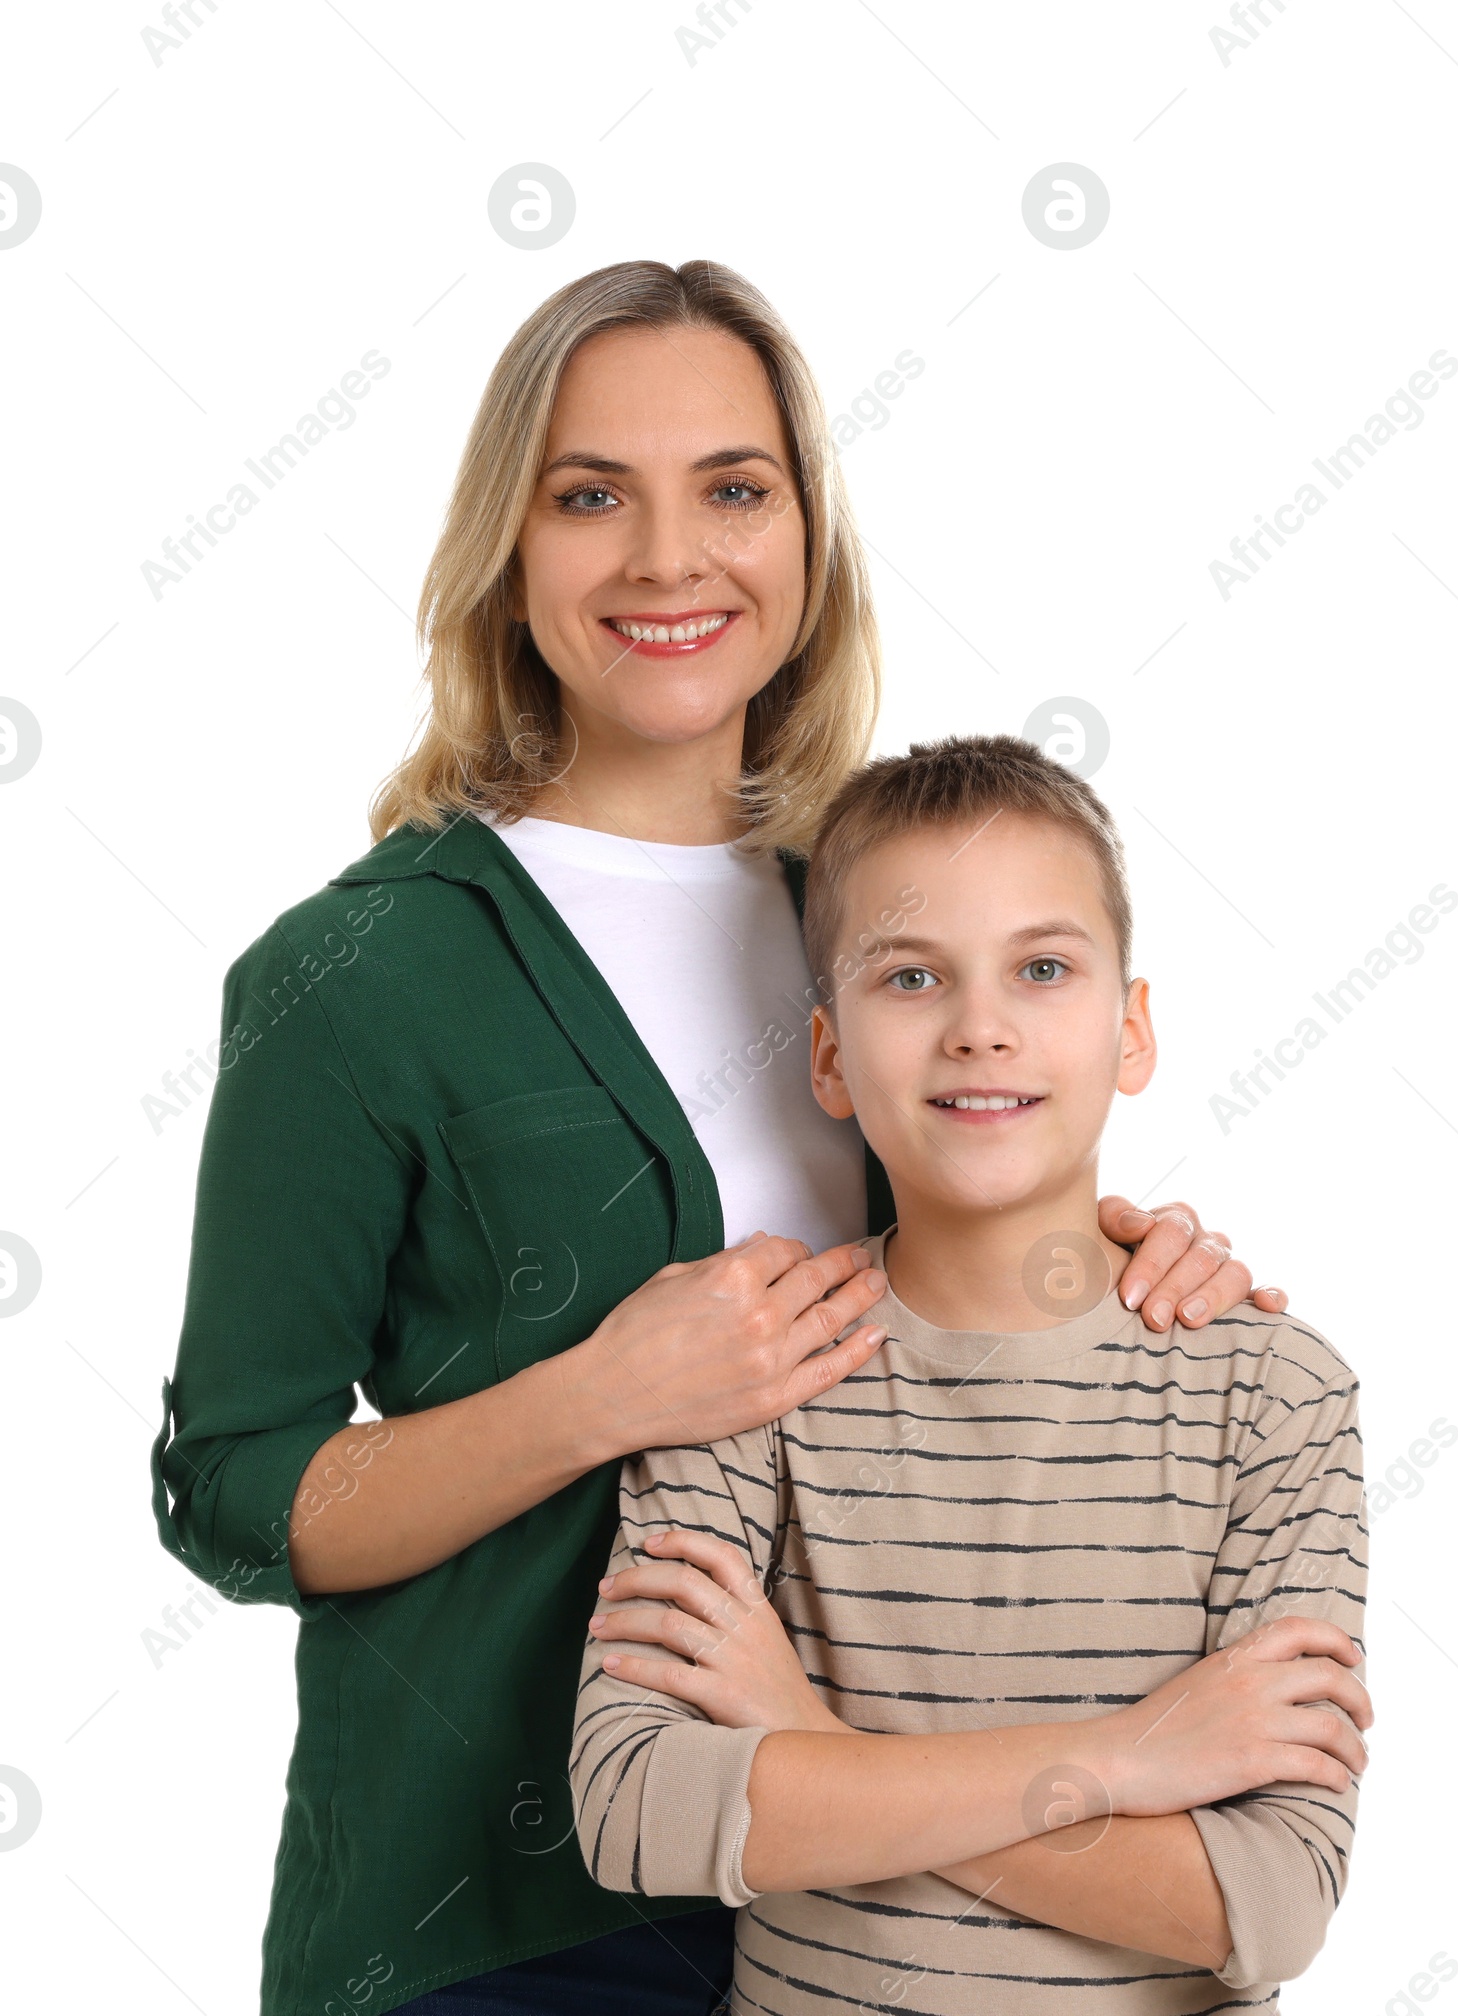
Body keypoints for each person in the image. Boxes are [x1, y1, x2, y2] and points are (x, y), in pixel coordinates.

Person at [150, 261, 1292, 2016]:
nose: (669, 559)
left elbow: (946, 1277)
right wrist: (604, 1395)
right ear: (509, 556)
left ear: (808, 541)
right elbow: (231, 1489)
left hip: (873, 1898)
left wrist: (1116, 1257)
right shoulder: (350, 977)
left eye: (734, 490)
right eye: (591, 494)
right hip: (497, 1924)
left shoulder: (881, 924)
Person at [571, 734, 1369, 2015]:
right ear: (828, 1056)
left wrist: (818, 1757)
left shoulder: (1274, 1398)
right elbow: (638, 1814)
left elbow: (1266, 1908)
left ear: (1131, 1028)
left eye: (1041, 969)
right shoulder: (750, 1370)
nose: (980, 1030)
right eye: (911, 978)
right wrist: (1125, 1761)